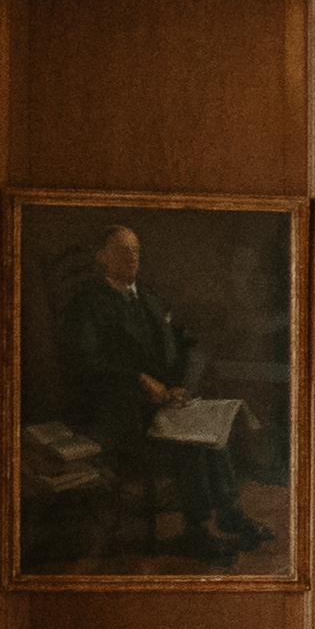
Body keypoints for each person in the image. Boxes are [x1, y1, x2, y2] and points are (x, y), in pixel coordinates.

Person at [52, 221, 257, 559]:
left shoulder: (151, 297)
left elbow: (193, 346)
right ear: (102, 256)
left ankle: (230, 513)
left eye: (136, 250)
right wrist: (137, 380)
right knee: (192, 439)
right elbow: (85, 364)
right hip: (120, 409)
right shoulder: (87, 304)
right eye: (123, 251)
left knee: (211, 426)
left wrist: (182, 385)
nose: (133, 257)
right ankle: (197, 530)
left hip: (168, 401)